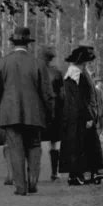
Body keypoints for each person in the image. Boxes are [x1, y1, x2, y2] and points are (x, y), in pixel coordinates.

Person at [0, 26, 54, 196]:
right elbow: (47, 93)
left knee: (15, 148)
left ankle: (20, 186)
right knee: (34, 146)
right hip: (35, 113)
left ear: (13, 43)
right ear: (28, 44)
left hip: (10, 114)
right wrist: (49, 114)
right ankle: (33, 181)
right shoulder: (38, 63)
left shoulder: (2, 63)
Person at [59, 45, 103, 186]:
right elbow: (81, 99)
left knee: (86, 144)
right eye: (86, 61)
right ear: (81, 62)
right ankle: (77, 175)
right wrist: (88, 117)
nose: (88, 64)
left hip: (77, 115)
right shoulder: (76, 75)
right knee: (79, 145)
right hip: (79, 116)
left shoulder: (78, 73)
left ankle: (92, 172)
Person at [37, 46, 65, 182]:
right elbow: (62, 95)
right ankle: (54, 172)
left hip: (39, 111)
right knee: (54, 143)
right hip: (54, 111)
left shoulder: (35, 71)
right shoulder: (57, 73)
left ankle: (34, 172)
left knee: (35, 142)